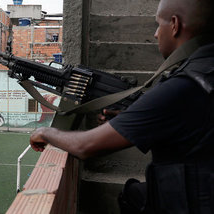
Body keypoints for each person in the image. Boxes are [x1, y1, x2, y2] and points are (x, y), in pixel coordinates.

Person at [29, 0, 214, 213]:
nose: (155, 34)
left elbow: (86, 147)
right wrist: (131, 119)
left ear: (174, 24)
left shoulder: (184, 86)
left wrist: (46, 132)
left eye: (158, 25)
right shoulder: (203, 73)